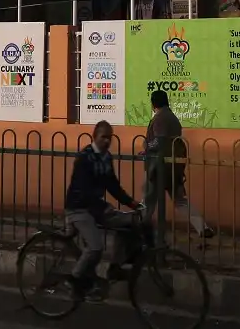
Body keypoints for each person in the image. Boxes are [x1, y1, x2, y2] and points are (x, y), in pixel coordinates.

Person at [65, 121, 141, 297]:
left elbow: (112, 185)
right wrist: (103, 207)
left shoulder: (106, 158)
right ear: (95, 136)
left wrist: (131, 203)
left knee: (128, 223)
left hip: (96, 207)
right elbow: (83, 190)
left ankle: (115, 267)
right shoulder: (85, 157)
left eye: (110, 137)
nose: (107, 141)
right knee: (96, 247)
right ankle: (74, 280)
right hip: (79, 208)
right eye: (103, 137)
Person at [142, 90, 211, 241]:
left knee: (148, 203)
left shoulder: (159, 118)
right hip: (173, 167)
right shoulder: (173, 118)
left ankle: (141, 233)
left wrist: (147, 147)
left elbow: (160, 140)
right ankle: (202, 227)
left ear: (153, 103)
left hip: (158, 166)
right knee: (180, 201)